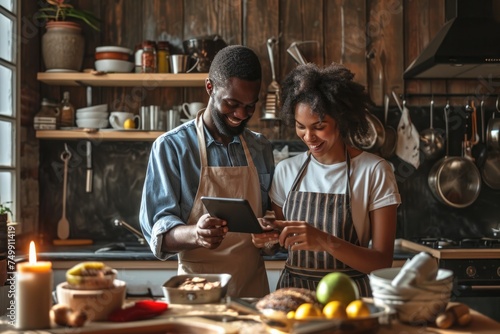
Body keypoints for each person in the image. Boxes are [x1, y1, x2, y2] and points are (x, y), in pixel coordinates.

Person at [252, 62, 401, 296]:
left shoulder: (375, 171)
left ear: (340, 120)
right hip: (294, 295)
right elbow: (281, 242)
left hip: (350, 297)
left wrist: (324, 240)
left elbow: (382, 262)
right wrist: (266, 240)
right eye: (301, 127)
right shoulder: (286, 170)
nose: (309, 137)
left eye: (319, 126)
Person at [139, 45, 275, 298]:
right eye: (232, 103)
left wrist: (270, 235)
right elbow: (158, 233)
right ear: (210, 87)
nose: (240, 115)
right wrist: (196, 234)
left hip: (253, 293)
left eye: (250, 106)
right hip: (197, 292)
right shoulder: (172, 147)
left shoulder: (261, 147)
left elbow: (269, 220)